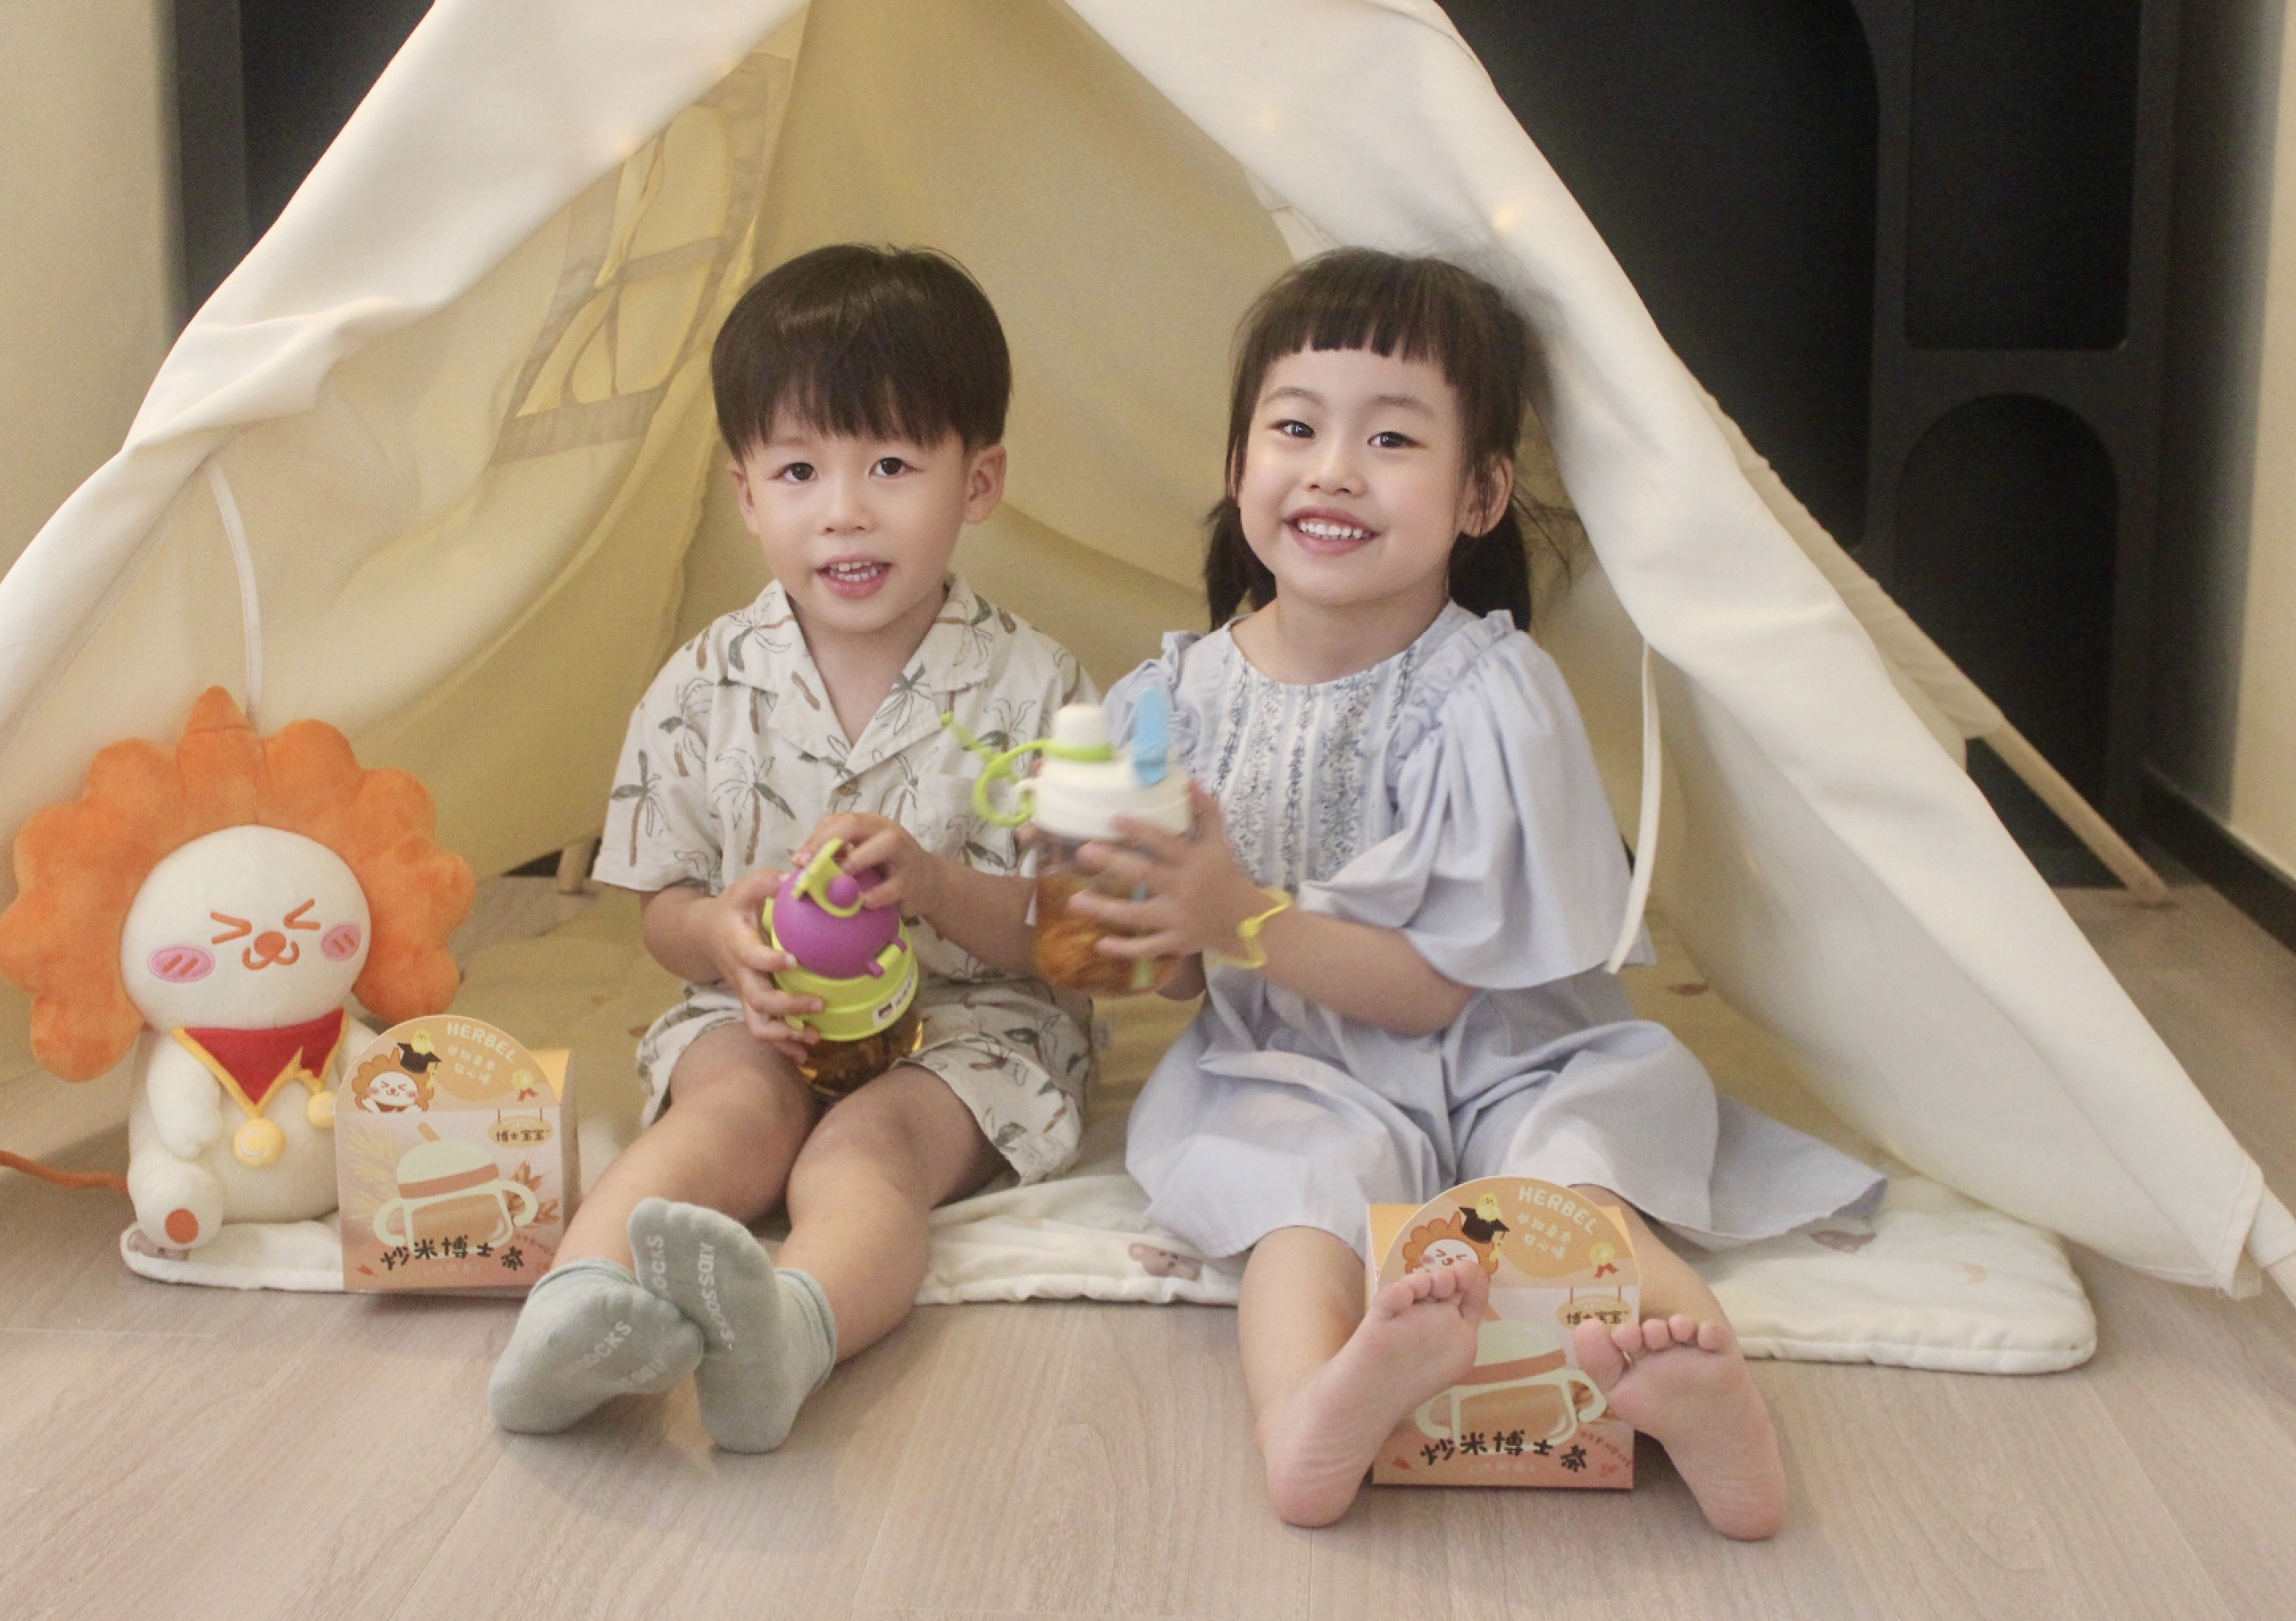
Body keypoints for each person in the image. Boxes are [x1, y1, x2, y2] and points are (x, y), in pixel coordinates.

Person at [1085, 249, 1883, 1539]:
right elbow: (1166, 971)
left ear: (1479, 496)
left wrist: (1233, 913)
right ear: (1238, 466)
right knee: (1300, 1204)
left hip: (1509, 1050)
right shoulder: (1167, 701)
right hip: (1298, 1065)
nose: (1333, 470)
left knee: (1566, 1184)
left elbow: (1433, 993)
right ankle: (1307, 1417)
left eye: (1391, 439)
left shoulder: (1493, 696)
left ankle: (1701, 1393)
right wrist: (1138, 912)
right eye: (1294, 429)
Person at [489, 244, 1094, 1449]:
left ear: (978, 482)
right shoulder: (702, 681)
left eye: (891, 466)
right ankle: (575, 1311)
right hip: (759, 1016)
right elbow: (660, 905)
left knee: (861, 1158)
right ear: (747, 495)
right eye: (800, 470)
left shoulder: (1041, 689)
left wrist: (934, 884)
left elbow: (1071, 939)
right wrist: (718, 937)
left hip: (969, 1029)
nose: (844, 510)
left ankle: (793, 1330)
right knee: (723, 1120)